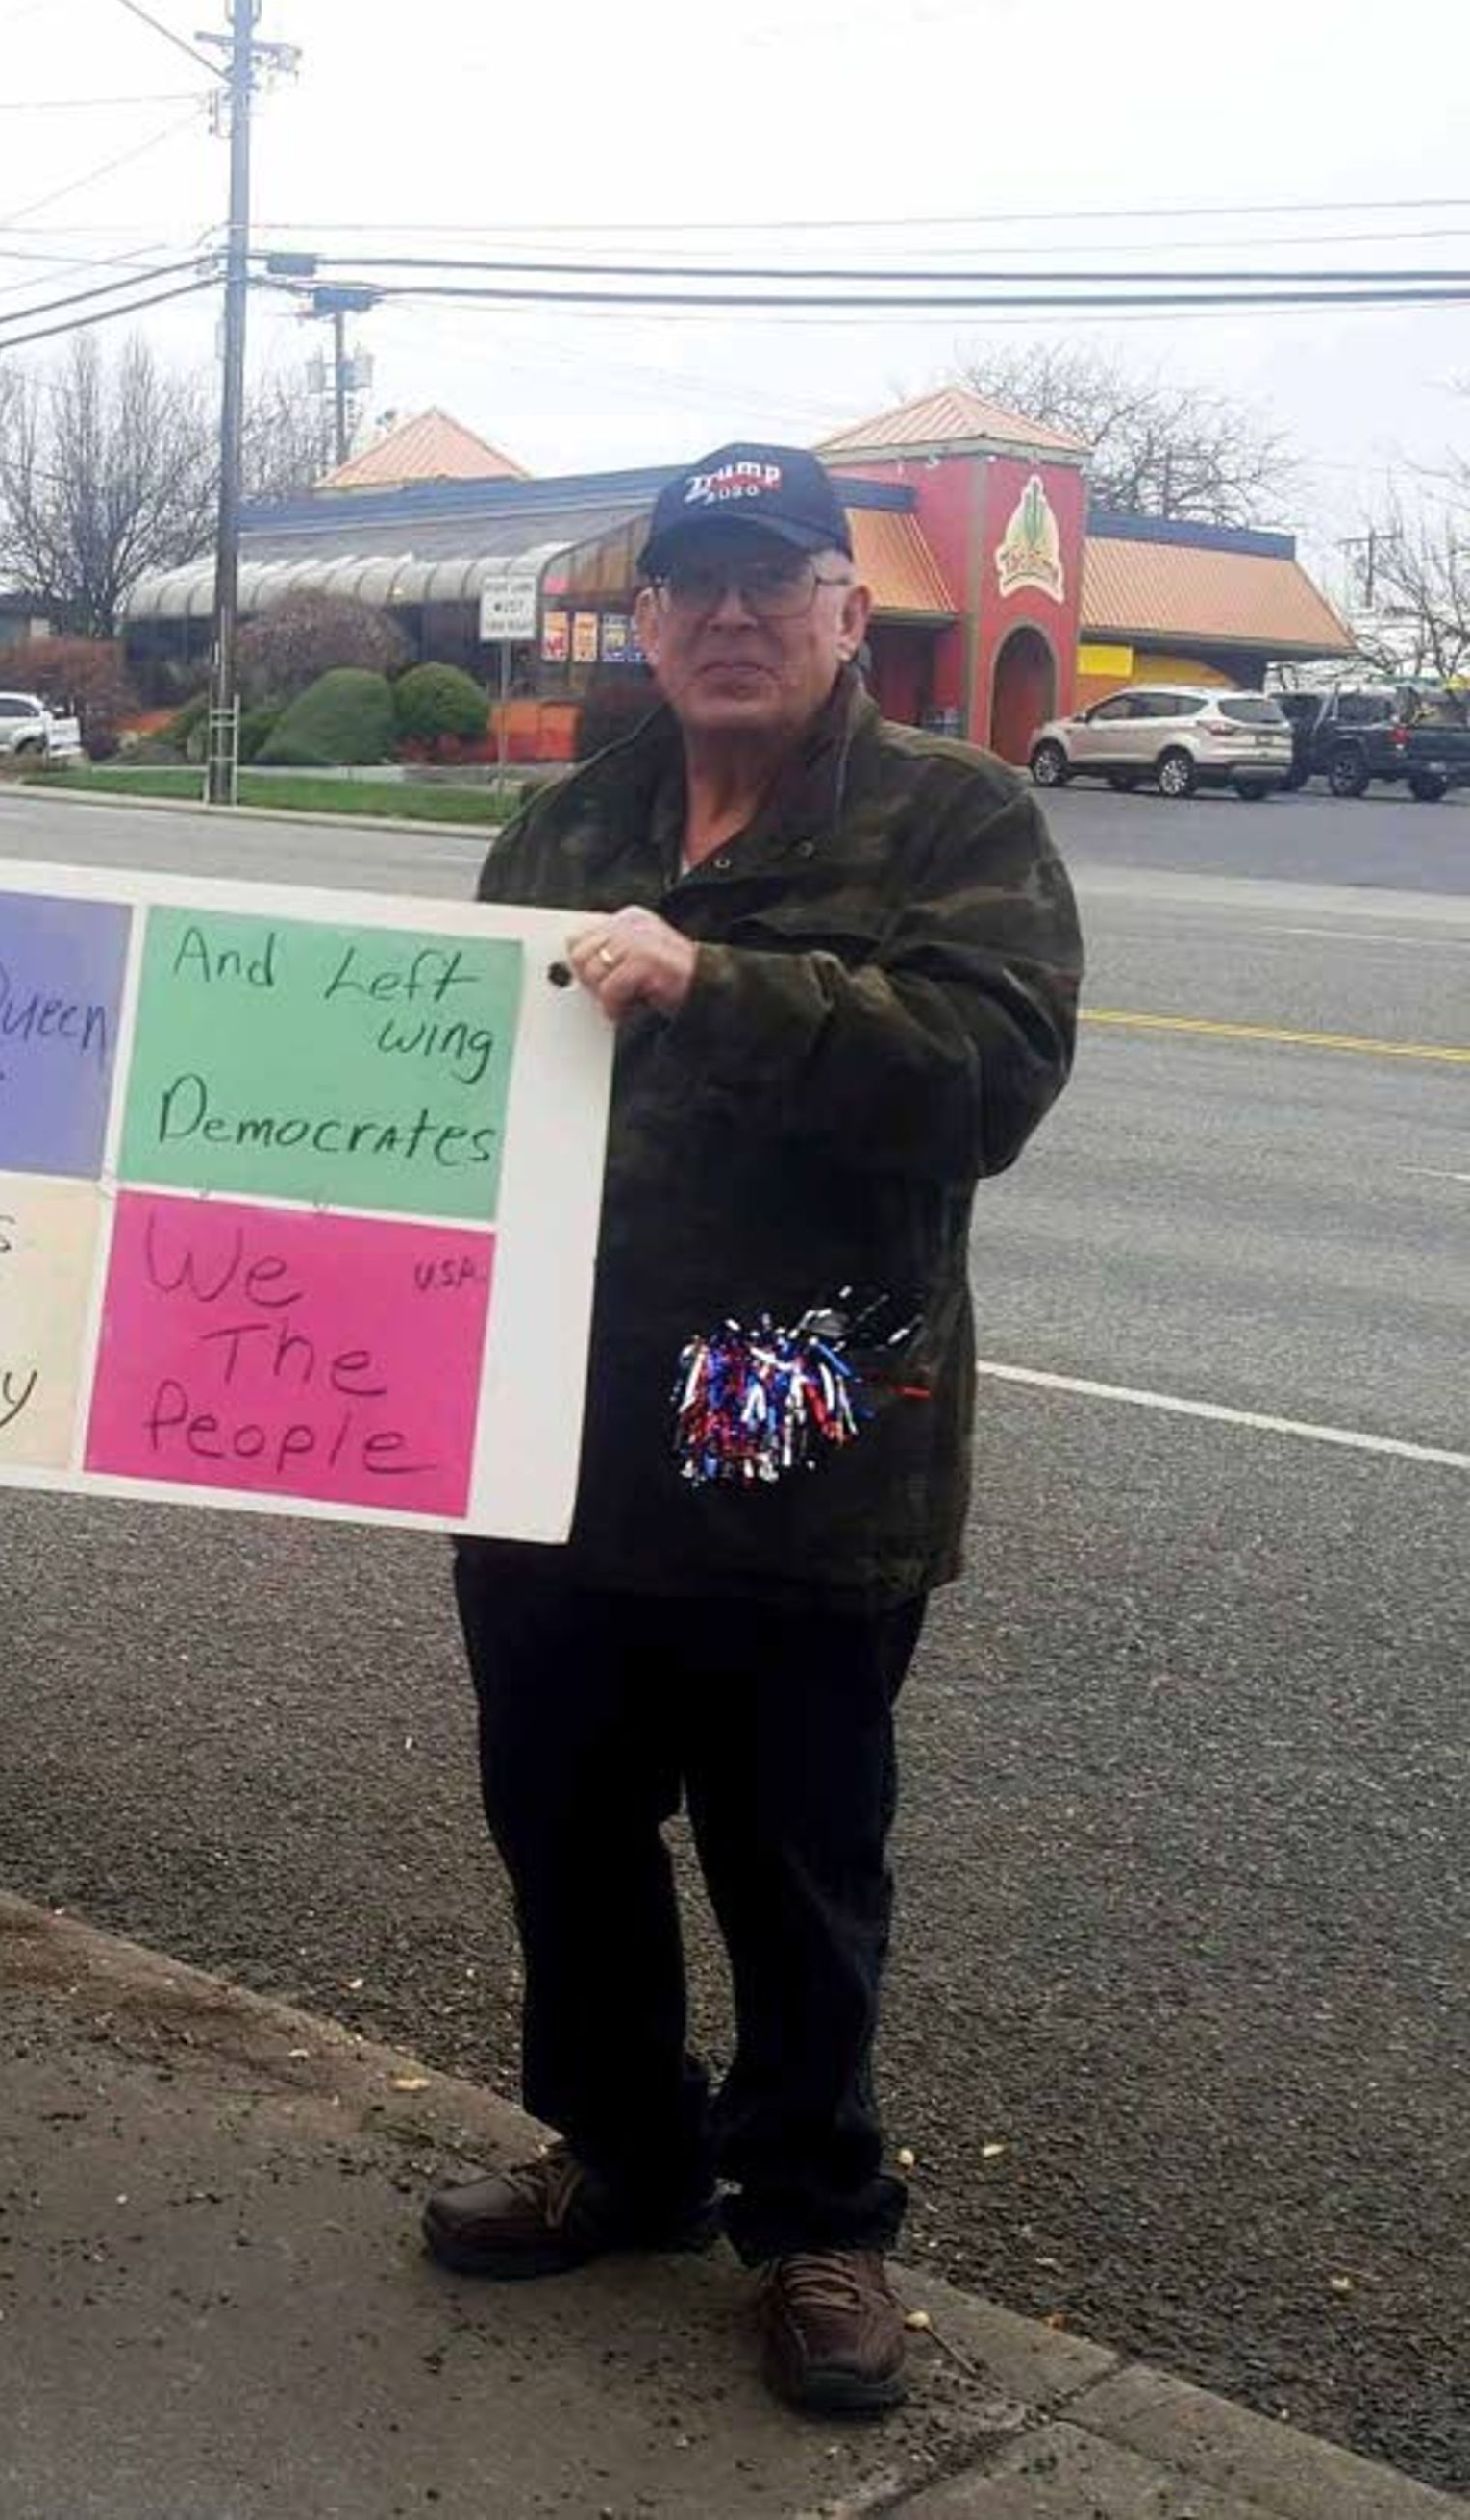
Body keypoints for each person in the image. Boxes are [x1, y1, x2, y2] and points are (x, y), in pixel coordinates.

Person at [420, 443, 1083, 2419]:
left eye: (768, 580)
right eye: (688, 583)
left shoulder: (949, 816)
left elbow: (988, 1072)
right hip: (554, 1434)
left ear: (841, 613)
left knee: (797, 1854)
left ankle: (813, 2215)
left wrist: (718, 982)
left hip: (798, 1439)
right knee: (564, 1822)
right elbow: (452, 1087)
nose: (724, 614)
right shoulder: (566, 820)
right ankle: (622, 2147)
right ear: (644, 621)